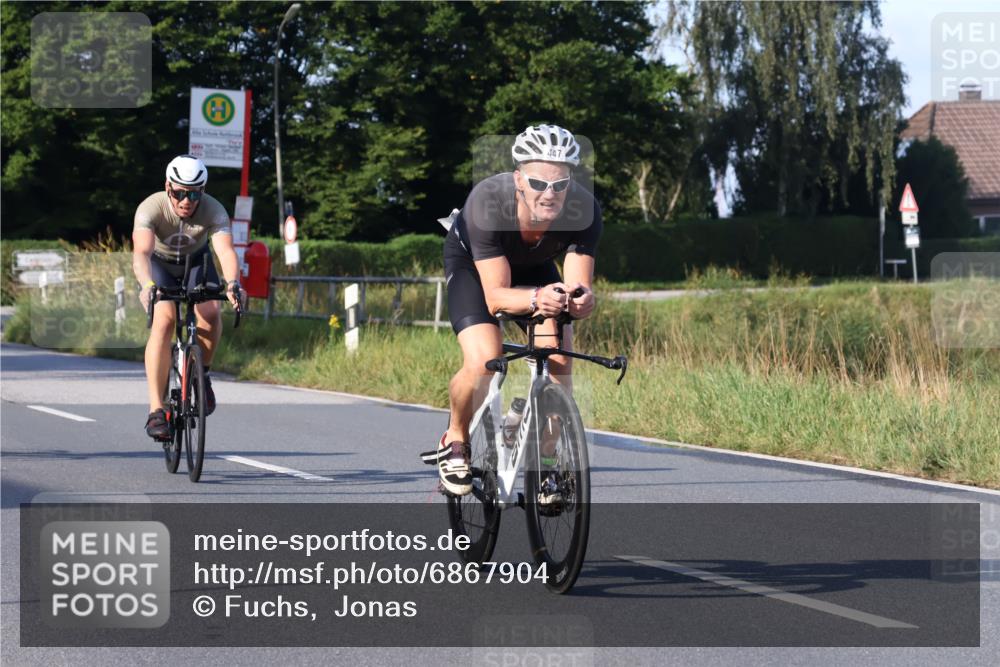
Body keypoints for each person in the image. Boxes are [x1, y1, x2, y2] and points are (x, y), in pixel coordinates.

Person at [435, 125, 602, 496]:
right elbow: (495, 297)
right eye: (538, 183)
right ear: (518, 179)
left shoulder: (584, 210)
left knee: (558, 361)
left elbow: (577, 283)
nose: (549, 194)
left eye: (559, 186)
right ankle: (455, 439)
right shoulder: (487, 203)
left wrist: (581, 299)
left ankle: (544, 464)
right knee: (485, 360)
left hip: (534, 269)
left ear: (570, 182)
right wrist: (536, 298)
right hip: (475, 270)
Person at [132, 155, 243, 441]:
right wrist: (147, 285)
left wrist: (232, 283)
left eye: (193, 193)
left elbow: (226, 252)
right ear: (168, 187)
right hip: (160, 265)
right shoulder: (150, 207)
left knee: (211, 313)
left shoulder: (214, 210)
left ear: (202, 192)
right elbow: (141, 253)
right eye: (180, 193)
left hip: (196, 262)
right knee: (165, 321)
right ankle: (157, 410)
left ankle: (202, 374)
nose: (186, 200)